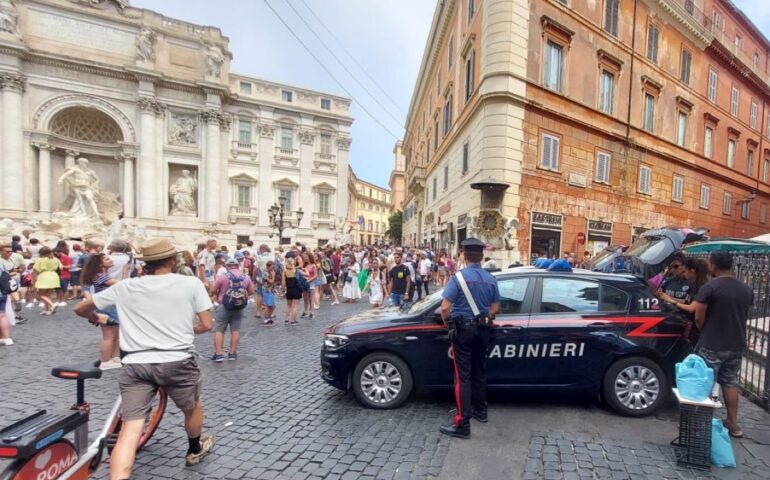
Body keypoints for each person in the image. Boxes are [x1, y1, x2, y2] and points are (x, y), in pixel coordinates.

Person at [74, 237, 215, 476]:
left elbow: (80, 308)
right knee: (192, 407)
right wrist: (180, 328)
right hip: (177, 360)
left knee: (130, 429)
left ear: (146, 263)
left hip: (135, 363)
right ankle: (194, 449)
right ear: (172, 260)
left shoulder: (125, 286)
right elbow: (206, 324)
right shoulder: (190, 284)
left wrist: (97, 318)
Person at [439, 238, 501, 439]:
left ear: (464, 256)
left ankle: (462, 423)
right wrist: (485, 318)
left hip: (463, 330)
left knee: (463, 376)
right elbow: (495, 308)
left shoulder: (458, 278)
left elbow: (445, 308)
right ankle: (480, 411)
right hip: (483, 330)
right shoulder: (491, 279)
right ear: (482, 256)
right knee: (480, 370)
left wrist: (448, 323)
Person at [691, 251, 753, 439]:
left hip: (712, 342)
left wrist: (703, 330)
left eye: (710, 264)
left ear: (714, 266)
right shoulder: (746, 289)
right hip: (735, 343)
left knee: (706, 381)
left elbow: (699, 316)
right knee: (730, 382)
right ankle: (733, 423)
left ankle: (701, 422)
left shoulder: (710, 287)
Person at [81, 253, 122, 370]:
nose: (111, 260)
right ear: (100, 264)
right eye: (107, 259)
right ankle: (105, 360)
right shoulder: (100, 276)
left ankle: (114, 357)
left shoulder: (101, 275)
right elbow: (119, 284)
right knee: (109, 336)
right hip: (107, 307)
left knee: (116, 335)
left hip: (111, 306)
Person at [209, 258, 254, 361]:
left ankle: (219, 354)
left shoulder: (222, 277)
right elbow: (251, 291)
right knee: (235, 330)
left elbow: (212, 290)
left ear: (227, 266)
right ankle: (232, 353)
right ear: (238, 266)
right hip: (239, 306)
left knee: (219, 330)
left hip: (223, 306)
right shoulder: (245, 277)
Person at [33, 246, 61, 315]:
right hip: (54, 276)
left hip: (44, 276)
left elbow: (35, 270)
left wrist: (34, 279)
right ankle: (47, 310)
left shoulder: (40, 260)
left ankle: (52, 304)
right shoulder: (55, 259)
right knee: (47, 295)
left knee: (40, 294)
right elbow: (61, 267)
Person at [282, 258, 302, 325]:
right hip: (296, 289)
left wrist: (283, 290)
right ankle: (293, 320)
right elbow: (304, 276)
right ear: (293, 263)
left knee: (288, 306)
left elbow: (283, 283)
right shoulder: (296, 270)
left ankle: (286, 320)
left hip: (289, 290)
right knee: (295, 306)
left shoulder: (284, 271)